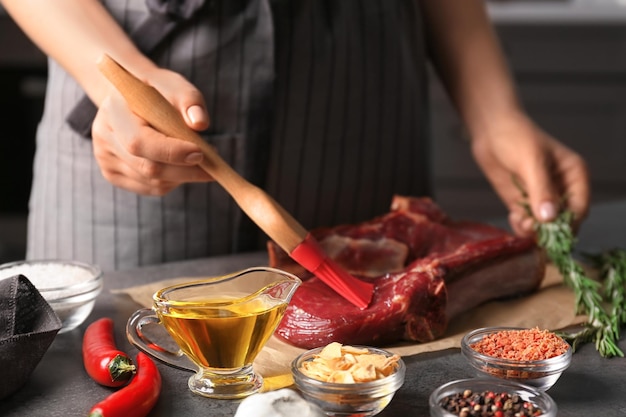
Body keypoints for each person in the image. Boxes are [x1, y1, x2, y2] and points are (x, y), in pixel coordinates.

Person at [2, 0, 590, 271]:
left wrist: (494, 115)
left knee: (377, 364)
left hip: (359, 85)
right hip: (127, 68)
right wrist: (114, 76)